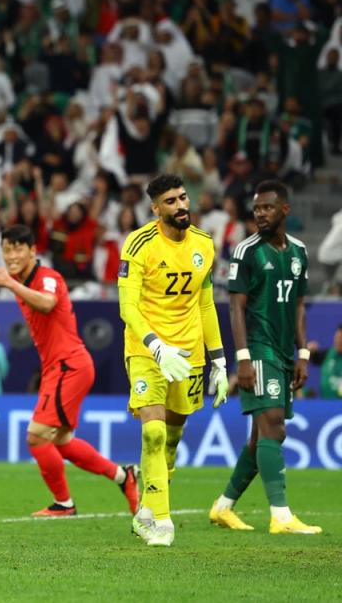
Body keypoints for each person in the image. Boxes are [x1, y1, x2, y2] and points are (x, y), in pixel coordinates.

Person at [0, 226, 139, 518]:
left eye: (18, 248)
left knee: (36, 437)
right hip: (59, 367)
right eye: (7, 249)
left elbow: (47, 303)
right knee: (60, 441)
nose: (11, 255)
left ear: (33, 251)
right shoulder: (20, 278)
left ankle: (64, 504)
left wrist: (10, 284)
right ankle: (124, 476)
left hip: (68, 366)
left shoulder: (48, 278)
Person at [117, 173, 228, 547]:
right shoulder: (138, 243)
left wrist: (219, 361)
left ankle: (146, 509)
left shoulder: (205, 245)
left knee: (172, 438)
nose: (181, 206)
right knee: (152, 431)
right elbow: (127, 307)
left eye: (183, 198)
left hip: (190, 354)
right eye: (171, 201)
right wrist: (156, 345)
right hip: (148, 351)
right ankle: (161, 522)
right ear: (155, 209)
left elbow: (206, 303)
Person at [209, 180, 321, 534]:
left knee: (263, 437)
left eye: (267, 207)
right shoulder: (246, 251)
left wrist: (302, 354)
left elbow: (300, 306)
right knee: (274, 422)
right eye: (256, 208)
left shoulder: (299, 252)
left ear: (284, 210)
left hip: (285, 350)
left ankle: (223, 507)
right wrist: (242, 357)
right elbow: (235, 306)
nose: (260, 213)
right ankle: (281, 516)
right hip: (258, 348)